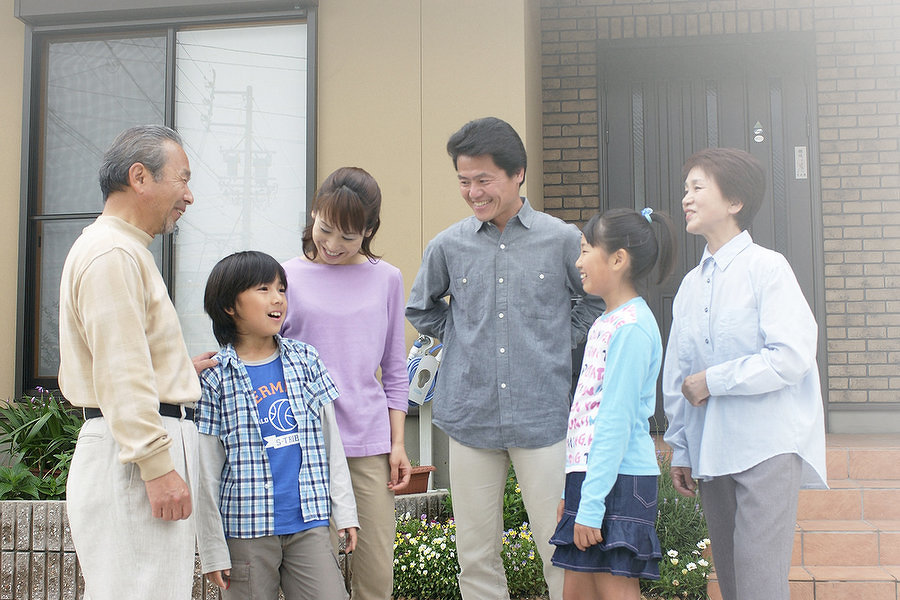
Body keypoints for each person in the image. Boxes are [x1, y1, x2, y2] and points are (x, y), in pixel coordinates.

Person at [405, 116, 605, 600]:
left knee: (560, 547)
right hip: (469, 415)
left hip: (543, 417)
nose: (473, 192)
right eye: (464, 181)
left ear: (518, 174)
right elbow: (420, 308)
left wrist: (559, 338)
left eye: (484, 179)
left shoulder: (561, 238)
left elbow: (595, 300)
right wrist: (461, 339)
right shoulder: (447, 245)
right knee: (475, 555)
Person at [662, 147, 827, 600]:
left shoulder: (767, 268)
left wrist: (714, 380)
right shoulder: (690, 286)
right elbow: (679, 374)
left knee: (759, 584)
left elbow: (790, 356)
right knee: (734, 584)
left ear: (734, 201)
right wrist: (681, 447)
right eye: (685, 189)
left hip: (766, 447)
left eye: (698, 187)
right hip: (712, 448)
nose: (686, 198)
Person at [58, 124, 199, 599]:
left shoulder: (117, 248)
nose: (189, 196)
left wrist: (178, 371)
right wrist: (156, 466)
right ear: (140, 177)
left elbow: (124, 359)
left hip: (129, 447)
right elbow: (120, 371)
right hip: (133, 456)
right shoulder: (113, 252)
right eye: (182, 179)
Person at [195, 250, 359, 599]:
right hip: (246, 530)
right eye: (263, 289)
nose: (277, 299)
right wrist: (212, 549)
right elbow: (206, 471)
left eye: (281, 289)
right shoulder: (215, 378)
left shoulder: (306, 360)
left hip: (308, 523)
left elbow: (332, 444)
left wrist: (345, 512)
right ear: (229, 306)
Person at [280, 166, 410, 600]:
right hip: (300, 443)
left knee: (375, 574)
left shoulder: (387, 278)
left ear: (369, 230)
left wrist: (397, 444)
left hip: (367, 444)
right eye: (326, 229)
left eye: (348, 236)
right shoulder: (283, 278)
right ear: (313, 213)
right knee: (311, 577)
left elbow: (395, 370)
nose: (333, 244)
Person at [550, 207, 675, 600]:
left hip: (619, 480)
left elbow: (614, 421)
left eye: (586, 250)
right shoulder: (607, 320)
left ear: (618, 259)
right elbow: (588, 417)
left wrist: (589, 506)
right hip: (594, 478)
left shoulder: (632, 327)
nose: (578, 262)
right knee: (576, 593)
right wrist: (572, 491)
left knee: (613, 590)